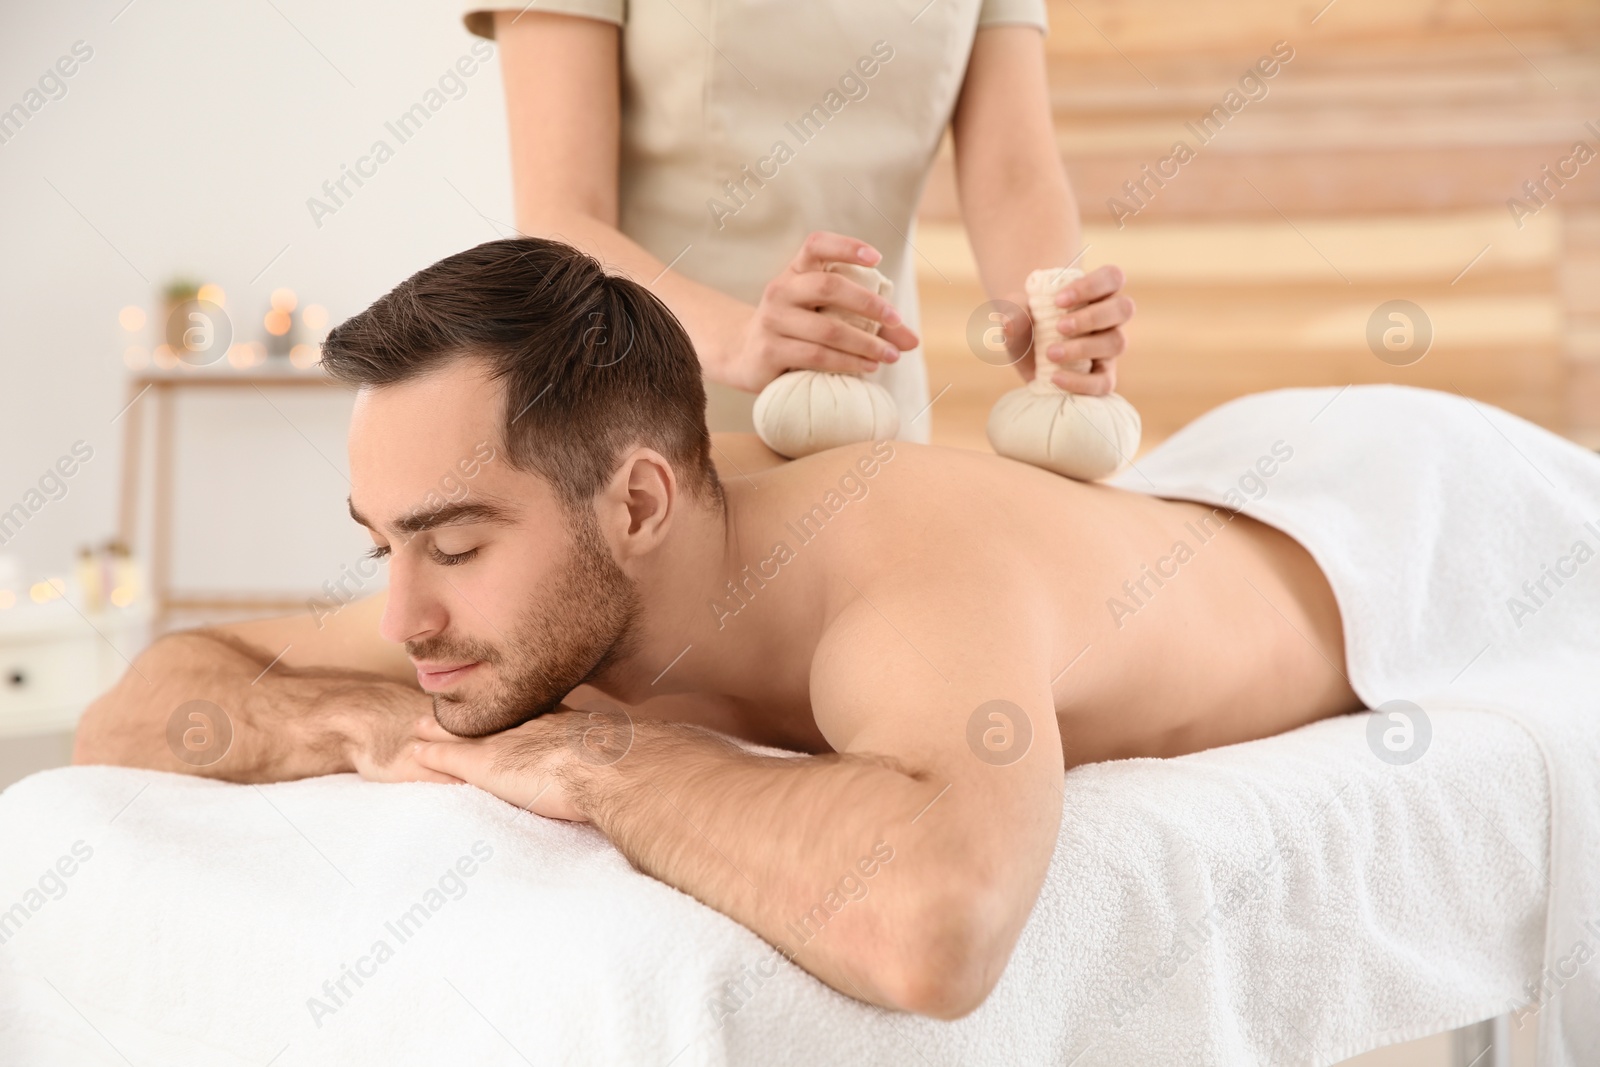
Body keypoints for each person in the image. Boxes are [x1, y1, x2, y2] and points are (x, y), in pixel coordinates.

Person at [74, 239, 1354, 1019]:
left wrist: (598, 761)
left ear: (637, 498)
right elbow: (133, 707)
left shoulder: (893, 576)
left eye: (454, 545)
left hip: (1367, 524)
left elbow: (939, 924)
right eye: (380, 543)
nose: (406, 614)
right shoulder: (509, 598)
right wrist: (351, 718)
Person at [466, 0, 1135, 436]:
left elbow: (1014, 175)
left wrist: (1050, 315)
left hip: (872, 419)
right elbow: (560, 217)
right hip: (641, 417)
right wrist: (743, 340)